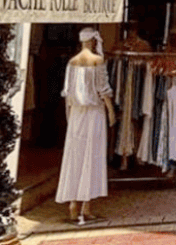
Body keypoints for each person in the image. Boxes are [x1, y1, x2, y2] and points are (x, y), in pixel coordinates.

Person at [55, 27, 116, 225]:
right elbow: (103, 89)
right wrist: (111, 111)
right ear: (92, 41)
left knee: (75, 156)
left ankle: (73, 204)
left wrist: (69, 116)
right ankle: (86, 207)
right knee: (92, 156)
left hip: (76, 115)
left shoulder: (72, 62)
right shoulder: (98, 61)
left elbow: (67, 93)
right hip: (93, 113)